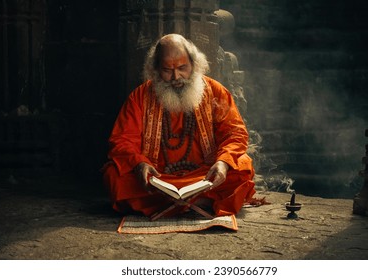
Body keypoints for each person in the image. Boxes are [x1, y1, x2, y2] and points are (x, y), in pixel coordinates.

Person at [102, 33, 255, 217]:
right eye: (167, 70)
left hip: (204, 176)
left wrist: (222, 163)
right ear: (155, 70)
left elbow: (235, 134)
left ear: (194, 64)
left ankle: (171, 204)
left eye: (182, 67)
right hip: (157, 179)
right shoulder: (140, 97)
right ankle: (198, 202)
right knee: (113, 174)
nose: (176, 77)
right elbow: (122, 140)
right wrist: (140, 164)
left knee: (242, 166)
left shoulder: (215, 92)